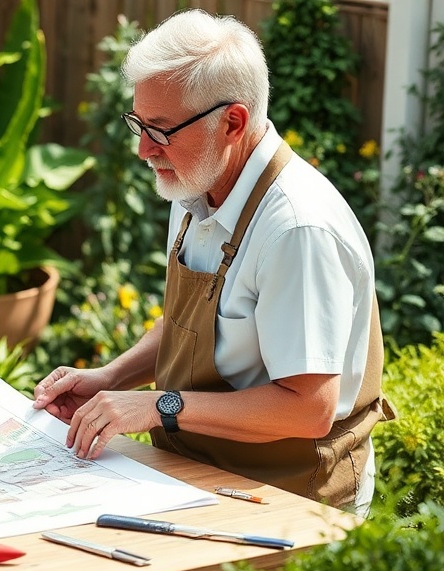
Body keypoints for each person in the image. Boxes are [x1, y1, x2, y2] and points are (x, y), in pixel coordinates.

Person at [32, 9, 391, 515]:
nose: (142, 149)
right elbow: (197, 327)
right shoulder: (197, 181)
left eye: (159, 130)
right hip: (195, 471)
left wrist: (157, 405)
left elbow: (309, 409)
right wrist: (110, 379)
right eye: (138, 123)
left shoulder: (296, 230)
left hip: (288, 496)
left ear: (233, 122)